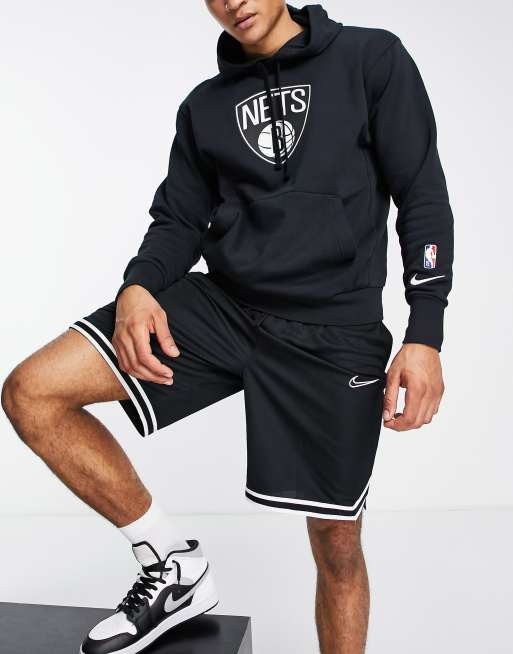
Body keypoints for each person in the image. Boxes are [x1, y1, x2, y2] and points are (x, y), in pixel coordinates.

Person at [1, 1, 454, 653]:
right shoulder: (204, 107)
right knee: (32, 392)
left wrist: (425, 332)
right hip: (225, 309)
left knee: (336, 544)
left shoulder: (370, 58)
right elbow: (178, 219)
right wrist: (137, 287)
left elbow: (422, 195)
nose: (233, 1)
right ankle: (170, 565)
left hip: (332, 330)